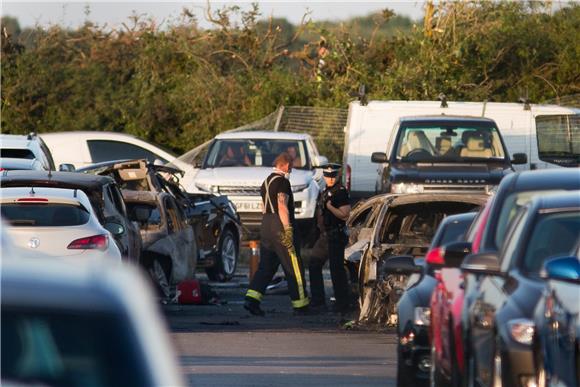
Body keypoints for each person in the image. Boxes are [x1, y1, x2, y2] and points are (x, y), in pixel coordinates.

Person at [244, 152, 310, 316]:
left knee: (266, 266)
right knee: (293, 265)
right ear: (286, 165)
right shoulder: (282, 182)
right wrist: (287, 229)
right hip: (279, 225)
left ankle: (252, 300)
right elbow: (282, 206)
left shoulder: (266, 181)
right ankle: (301, 305)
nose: (292, 169)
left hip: (266, 225)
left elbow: (263, 206)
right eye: (292, 166)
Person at [308, 163, 352, 312]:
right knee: (314, 264)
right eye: (327, 176)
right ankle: (318, 301)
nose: (330, 179)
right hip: (325, 236)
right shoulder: (325, 191)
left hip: (335, 235)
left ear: (338, 176)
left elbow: (345, 214)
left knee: (336, 270)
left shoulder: (340, 192)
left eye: (333, 176)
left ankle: (342, 304)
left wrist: (330, 207)